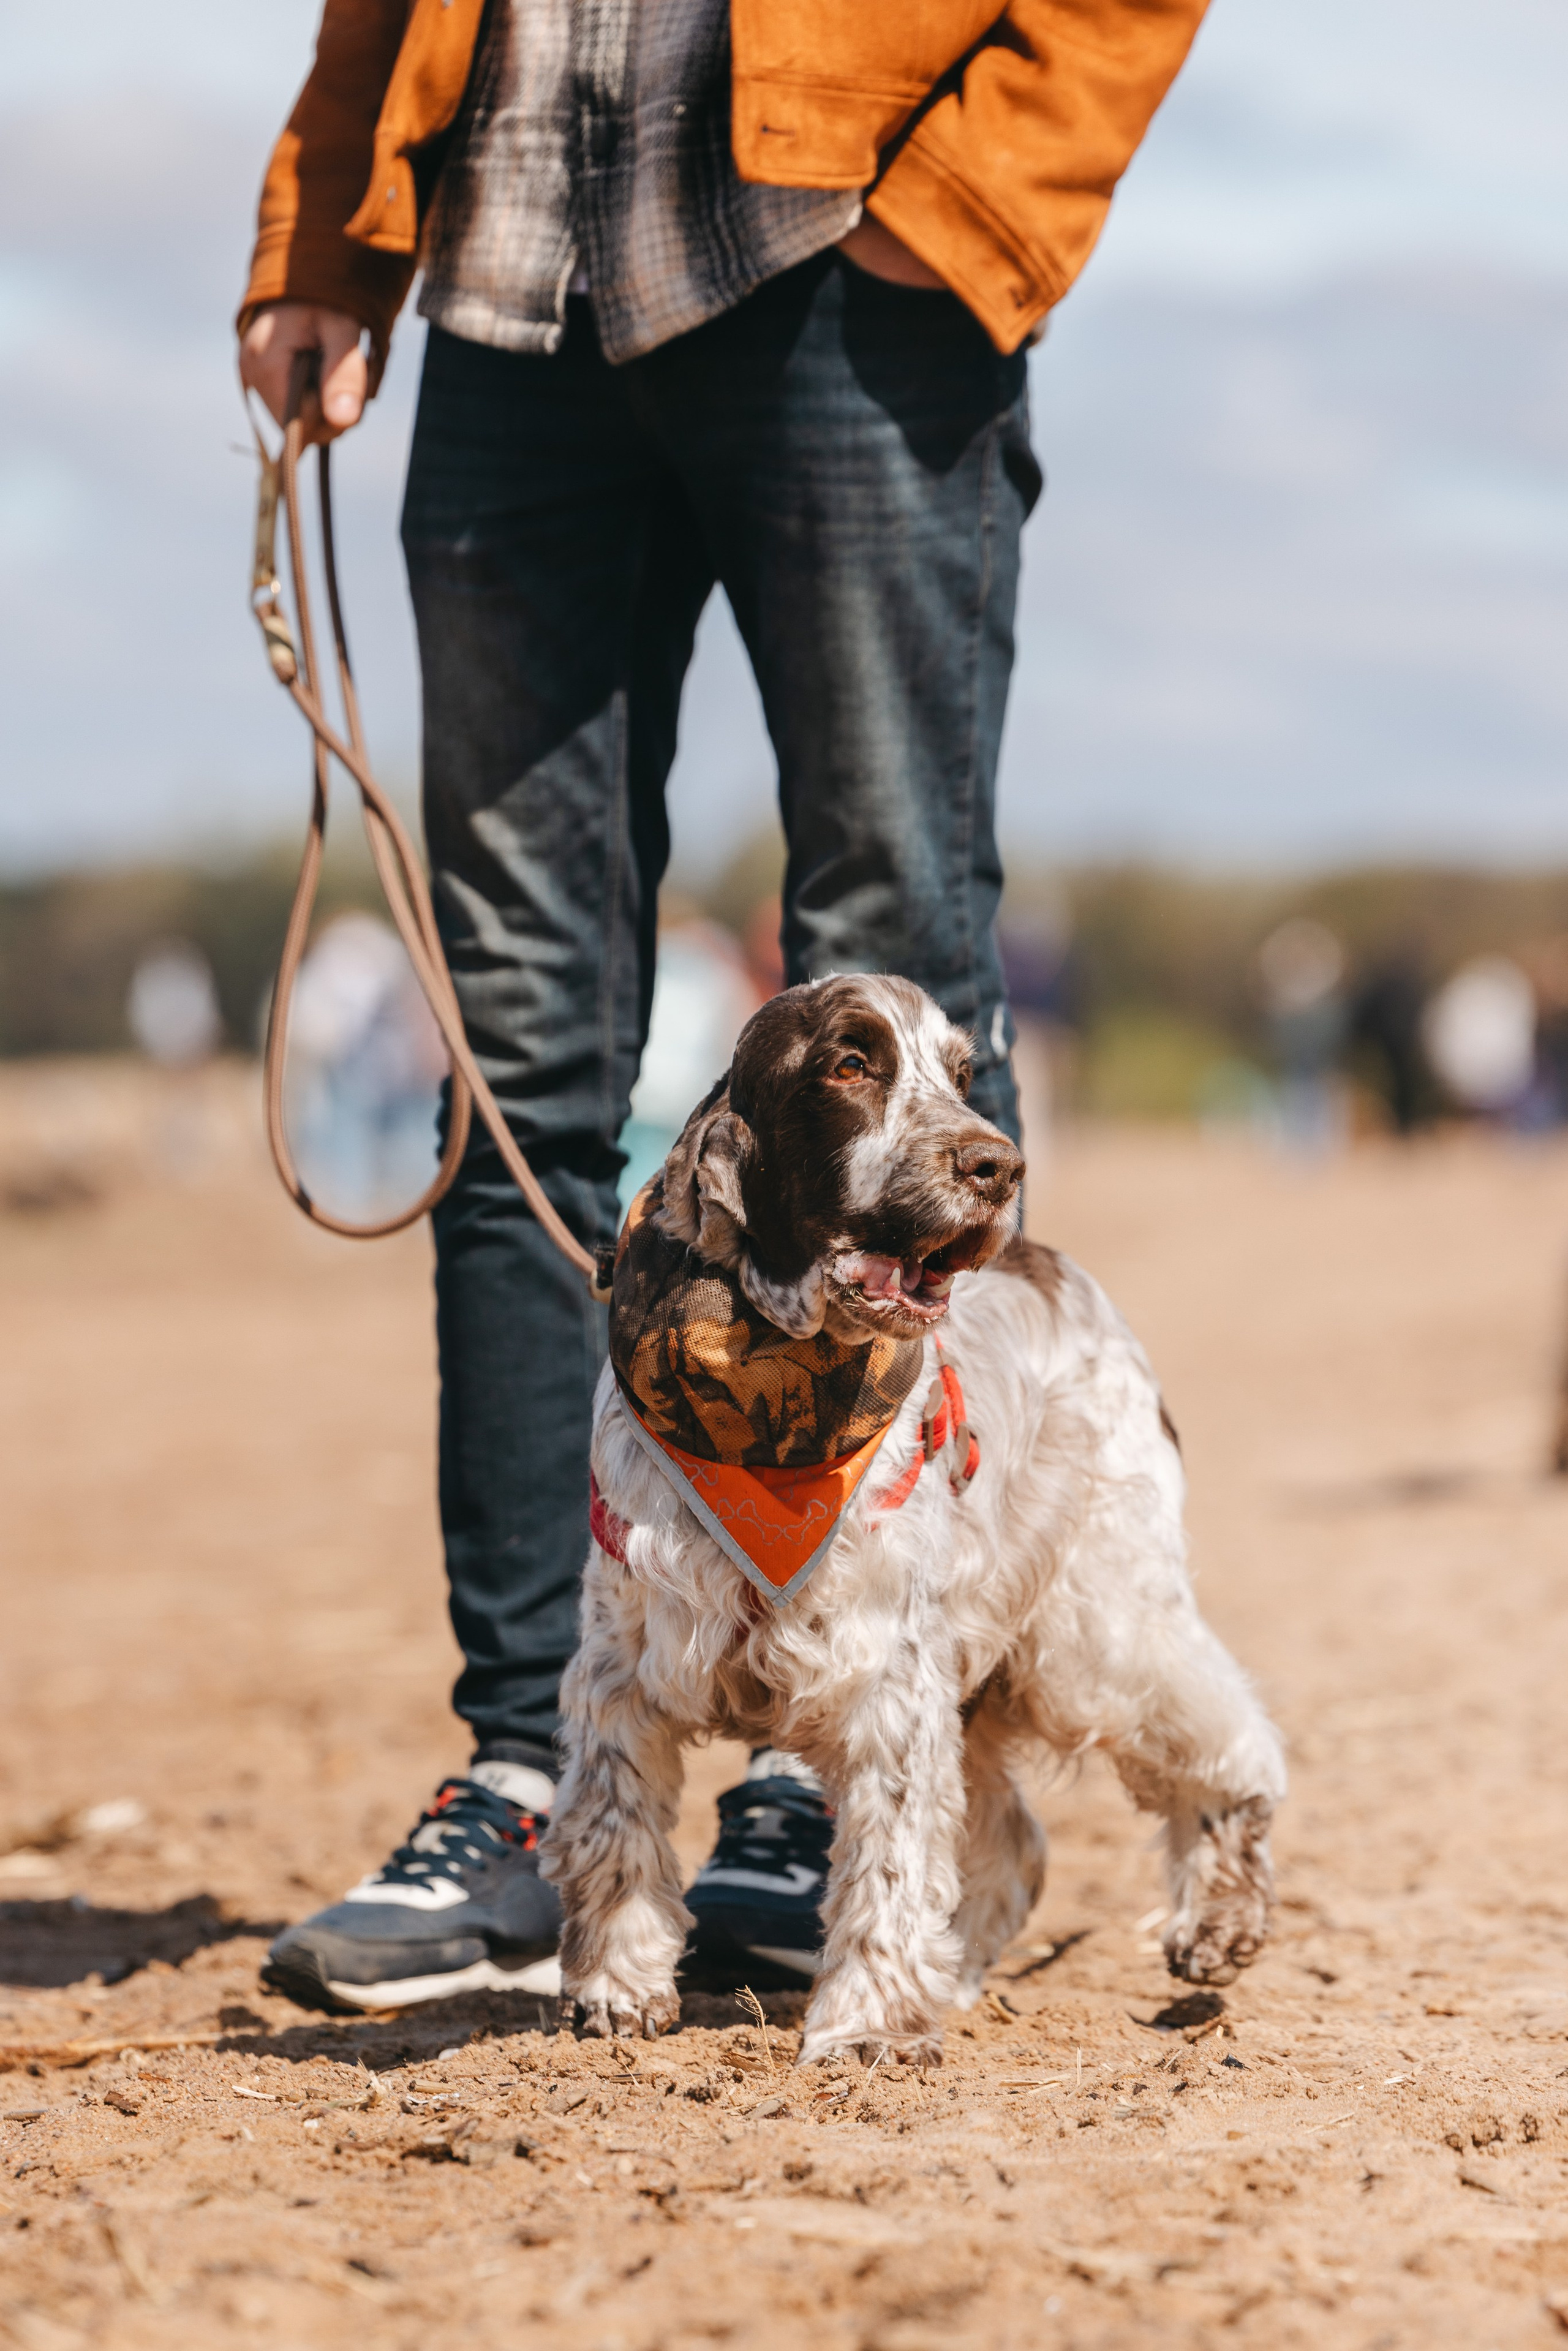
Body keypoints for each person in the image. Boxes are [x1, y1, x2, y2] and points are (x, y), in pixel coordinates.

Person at [238, 0, 1211, 2013]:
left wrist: (970, 203)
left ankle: (844, 1763)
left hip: (851, 267)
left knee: (896, 968)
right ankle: (541, 1766)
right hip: (511, 294)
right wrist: (329, 242)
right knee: (515, 1041)